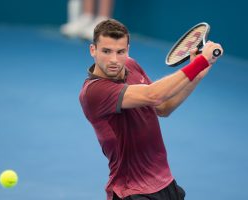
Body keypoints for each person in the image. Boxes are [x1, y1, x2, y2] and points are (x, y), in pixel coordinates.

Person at [79, 19, 223, 200]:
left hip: (165, 183)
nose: (114, 60)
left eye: (120, 52)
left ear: (128, 50)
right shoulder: (94, 92)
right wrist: (199, 62)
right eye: (106, 51)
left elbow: (163, 107)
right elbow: (153, 95)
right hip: (131, 191)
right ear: (93, 50)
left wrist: (198, 75)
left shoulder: (130, 65)